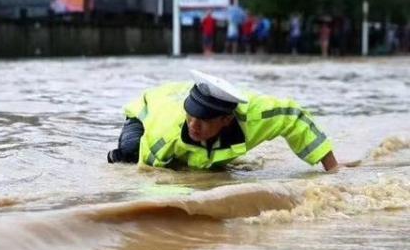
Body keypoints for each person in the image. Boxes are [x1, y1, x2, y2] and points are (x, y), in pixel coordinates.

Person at [107, 70, 338, 172]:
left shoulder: (254, 117)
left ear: (226, 119)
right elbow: (150, 175)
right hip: (146, 110)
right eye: (191, 115)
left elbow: (293, 116)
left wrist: (332, 168)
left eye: (204, 121)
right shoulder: (163, 133)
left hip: (182, 104)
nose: (193, 125)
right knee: (127, 155)